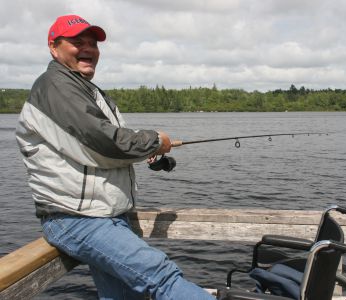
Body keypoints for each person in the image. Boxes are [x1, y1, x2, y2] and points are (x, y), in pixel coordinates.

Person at [16, 14, 215, 300]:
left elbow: (94, 149)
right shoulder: (54, 85)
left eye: (93, 43)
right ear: (53, 46)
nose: (88, 48)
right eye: (77, 42)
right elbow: (104, 143)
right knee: (162, 277)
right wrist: (156, 140)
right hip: (78, 219)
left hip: (104, 216)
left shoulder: (87, 91)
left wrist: (150, 155)